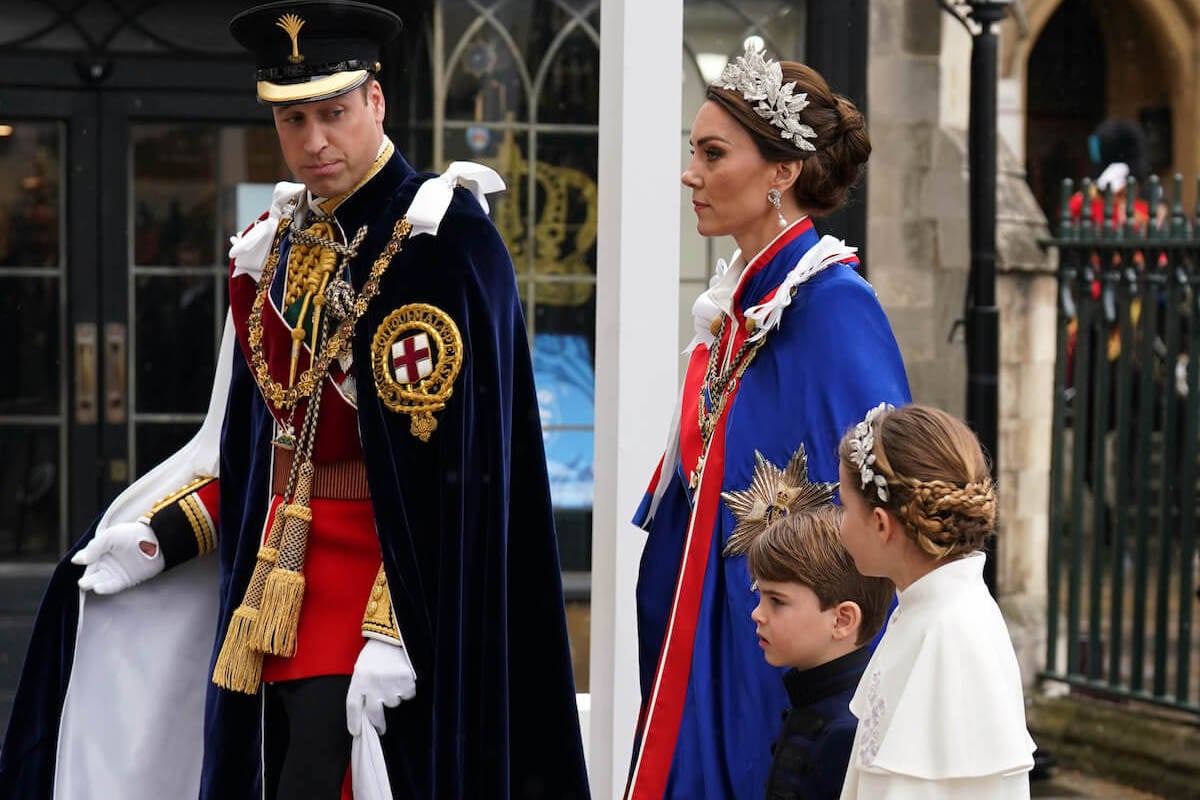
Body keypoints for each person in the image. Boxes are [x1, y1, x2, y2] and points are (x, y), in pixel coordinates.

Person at [0, 2, 590, 799]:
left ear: (375, 102)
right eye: (292, 119)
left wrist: (392, 629)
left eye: (334, 113)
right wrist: (159, 538)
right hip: (270, 595)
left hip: (391, 600)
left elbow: (460, 484)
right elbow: (259, 446)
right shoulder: (275, 245)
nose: (314, 141)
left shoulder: (442, 243)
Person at [627, 45, 911, 800]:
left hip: (763, 678)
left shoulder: (833, 309)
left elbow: (878, 522)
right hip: (700, 654)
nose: (692, 173)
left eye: (714, 154)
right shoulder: (738, 308)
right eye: (693, 151)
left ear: (783, 173)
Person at [836, 403, 1036, 799]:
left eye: (844, 507)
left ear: (880, 524)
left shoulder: (946, 633)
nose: (838, 522)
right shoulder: (925, 611)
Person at [728, 447, 893, 800]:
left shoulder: (846, 731)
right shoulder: (811, 703)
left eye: (777, 601)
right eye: (761, 598)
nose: (757, 614)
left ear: (842, 619)